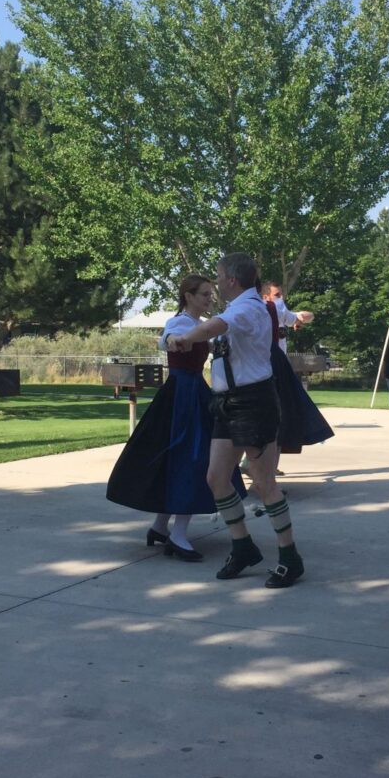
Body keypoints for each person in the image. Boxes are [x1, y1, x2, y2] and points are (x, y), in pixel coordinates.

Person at [166, 252, 304, 588]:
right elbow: (215, 329)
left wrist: (187, 338)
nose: (215, 283)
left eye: (218, 275)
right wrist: (175, 335)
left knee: (264, 483)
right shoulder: (237, 307)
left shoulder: (249, 307)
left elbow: (214, 328)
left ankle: (290, 557)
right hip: (227, 403)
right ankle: (243, 546)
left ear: (231, 279)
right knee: (216, 477)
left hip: (253, 403)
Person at [106, 275, 243, 561]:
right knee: (192, 460)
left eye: (210, 293)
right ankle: (178, 536)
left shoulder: (199, 325)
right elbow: (166, 338)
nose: (209, 298)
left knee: (183, 459)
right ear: (188, 296)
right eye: (204, 294)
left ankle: (160, 527)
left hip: (192, 393)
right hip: (183, 395)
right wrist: (171, 341)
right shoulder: (180, 322)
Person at [261, 283, 333, 457]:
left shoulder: (279, 310)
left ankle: (264, 465)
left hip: (276, 367)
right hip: (263, 369)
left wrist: (300, 317)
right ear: (265, 297)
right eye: (277, 294)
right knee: (272, 416)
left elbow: (307, 316)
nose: (281, 298)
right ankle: (258, 466)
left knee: (277, 417)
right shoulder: (265, 309)